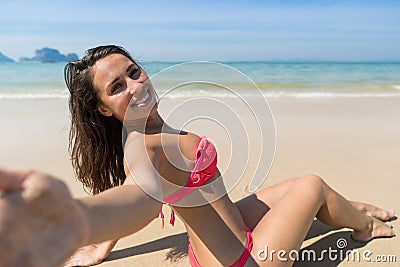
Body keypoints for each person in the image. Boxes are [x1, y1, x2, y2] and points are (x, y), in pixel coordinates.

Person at [0, 45, 396, 267]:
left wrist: (102, 248)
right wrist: (80, 220)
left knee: (296, 187)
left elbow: (129, 186)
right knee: (311, 184)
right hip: (245, 263)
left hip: (218, 243)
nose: (136, 86)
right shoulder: (142, 145)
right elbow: (134, 196)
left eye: (134, 72)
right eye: (117, 87)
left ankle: (345, 206)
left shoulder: (151, 129)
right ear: (104, 108)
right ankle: (362, 226)